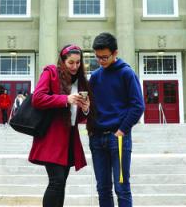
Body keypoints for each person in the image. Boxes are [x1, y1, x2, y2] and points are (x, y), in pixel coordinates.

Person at [28, 44, 91, 207]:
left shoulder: (80, 81)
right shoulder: (51, 72)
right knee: (56, 181)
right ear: (62, 61)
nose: (75, 66)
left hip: (69, 137)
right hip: (52, 136)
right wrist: (65, 99)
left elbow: (77, 118)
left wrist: (85, 109)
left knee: (61, 183)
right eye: (71, 62)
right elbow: (37, 98)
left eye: (78, 63)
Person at [87, 32, 144, 207]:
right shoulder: (95, 76)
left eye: (105, 57)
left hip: (118, 138)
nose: (101, 61)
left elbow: (138, 106)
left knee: (121, 188)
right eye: (98, 57)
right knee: (102, 188)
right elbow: (92, 105)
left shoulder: (126, 73)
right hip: (97, 139)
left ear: (115, 53)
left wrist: (122, 130)